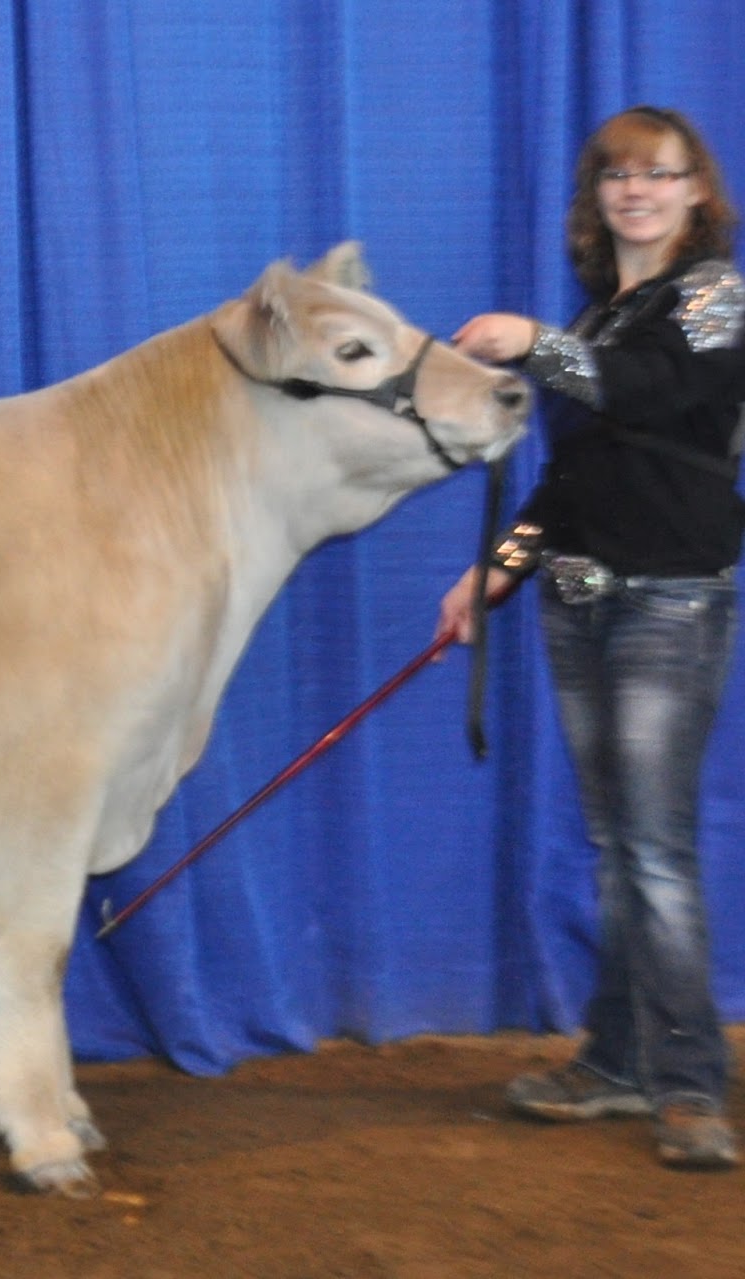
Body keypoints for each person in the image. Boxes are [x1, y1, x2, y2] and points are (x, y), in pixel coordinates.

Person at [438, 105, 745, 1170]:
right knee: (622, 850)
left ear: (696, 190)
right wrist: (498, 567)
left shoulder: (717, 295)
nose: (636, 191)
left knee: (653, 851)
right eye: (617, 174)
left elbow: (654, 392)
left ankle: (691, 1082)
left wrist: (534, 344)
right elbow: (571, 477)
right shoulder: (598, 316)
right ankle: (617, 1062)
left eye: (658, 173)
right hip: (578, 598)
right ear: (595, 196)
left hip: (670, 599)